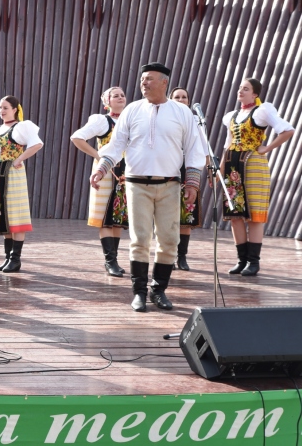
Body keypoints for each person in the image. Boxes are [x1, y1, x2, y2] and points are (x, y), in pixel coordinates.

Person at [91, 63, 206, 312]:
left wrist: (193, 183)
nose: (144, 83)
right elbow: (116, 144)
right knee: (140, 238)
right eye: (142, 79)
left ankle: (159, 290)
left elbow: (195, 149)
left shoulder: (182, 112)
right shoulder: (132, 110)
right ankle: (139, 293)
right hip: (136, 184)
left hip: (170, 185)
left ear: (164, 83)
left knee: (169, 240)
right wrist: (101, 168)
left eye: (150, 79)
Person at [221, 78, 294, 276]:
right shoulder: (231, 116)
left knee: (254, 215)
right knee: (235, 214)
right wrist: (220, 168)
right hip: (233, 166)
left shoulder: (262, 111)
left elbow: (288, 130)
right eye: (239, 87)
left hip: (254, 165)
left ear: (255, 94)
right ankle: (241, 260)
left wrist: (267, 148)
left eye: (245, 89)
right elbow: (228, 143)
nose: (241, 91)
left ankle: (253, 261)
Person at [71, 87, 129, 277]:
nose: (120, 97)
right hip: (105, 174)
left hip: (126, 173)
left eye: (122, 95)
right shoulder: (102, 121)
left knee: (118, 218)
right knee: (105, 218)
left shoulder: (131, 120)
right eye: (115, 95)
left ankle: (115, 260)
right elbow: (77, 137)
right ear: (107, 102)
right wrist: (98, 156)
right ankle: (110, 261)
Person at [0, 96, 43, 273]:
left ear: (15, 109)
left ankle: (15, 259)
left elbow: (37, 144)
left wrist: (19, 159)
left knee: (15, 214)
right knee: (4, 216)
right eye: (1, 108)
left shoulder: (22, 126)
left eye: (6, 108)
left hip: (12, 174)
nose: (2, 111)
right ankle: (8, 257)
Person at [169, 87, 206, 271]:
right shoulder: (164, 118)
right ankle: (168, 255)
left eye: (184, 97)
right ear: (170, 99)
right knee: (167, 215)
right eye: (177, 97)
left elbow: (202, 148)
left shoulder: (195, 120)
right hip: (168, 168)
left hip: (188, 169)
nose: (181, 99)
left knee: (186, 214)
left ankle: (181, 257)